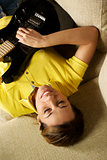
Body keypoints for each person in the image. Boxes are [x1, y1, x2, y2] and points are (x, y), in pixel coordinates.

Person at [0, 15, 99, 146]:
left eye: (47, 110)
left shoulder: (12, 106)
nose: (49, 98)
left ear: (39, 120)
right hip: (17, 16)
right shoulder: (69, 80)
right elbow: (91, 36)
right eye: (61, 103)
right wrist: (43, 41)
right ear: (70, 103)